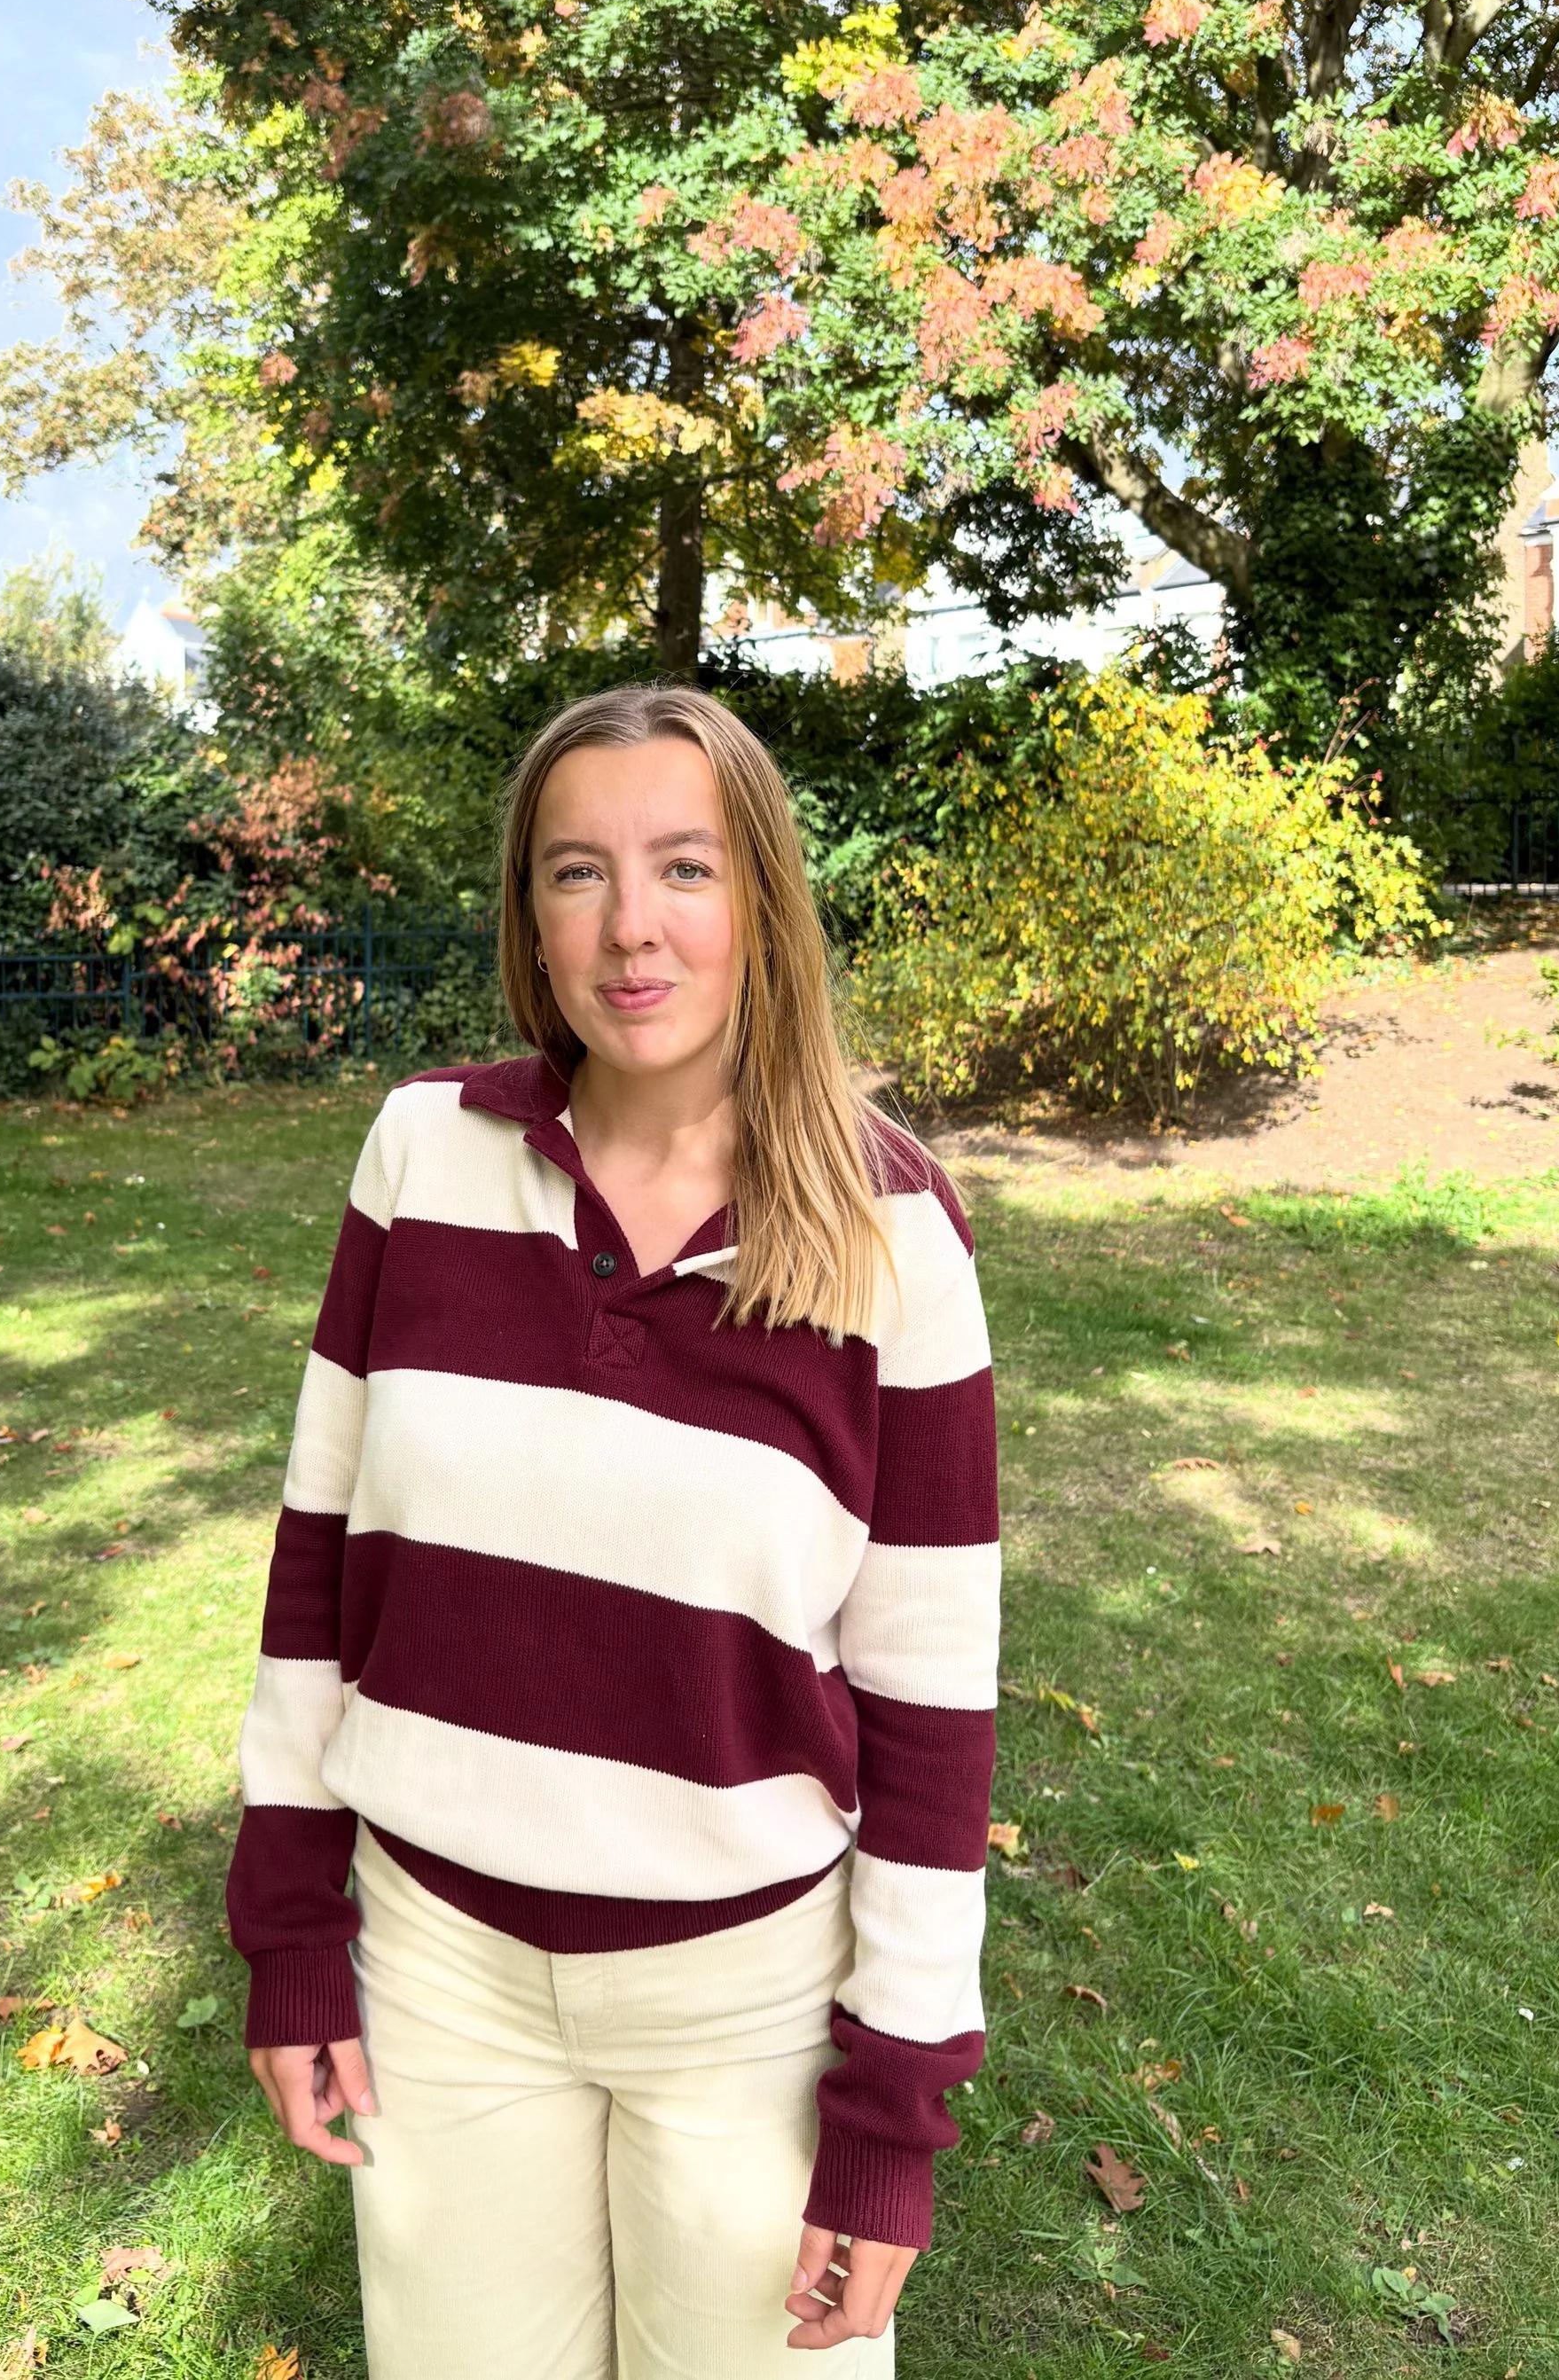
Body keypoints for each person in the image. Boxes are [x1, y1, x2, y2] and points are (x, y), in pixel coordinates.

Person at [227, 685, 1000, 2377]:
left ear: (763, 905)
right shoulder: (422, 1154)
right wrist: (292, 1934)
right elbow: (315, 1576)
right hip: (438, 1974)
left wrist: (893, 2110)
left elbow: (935, 1708)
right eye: (577, 872)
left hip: (745, 2009)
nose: (631, 926)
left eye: (684, 868)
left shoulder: (893, 1238)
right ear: (529, 915)